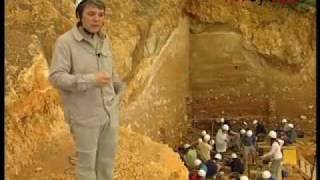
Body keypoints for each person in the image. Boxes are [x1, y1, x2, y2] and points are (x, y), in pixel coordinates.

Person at [48, 0, 125, 179]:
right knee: (87, 167)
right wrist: (91, 80)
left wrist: (118, 87)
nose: (96, 19)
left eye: (100, 14)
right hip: (84, 117)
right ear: (79, 16)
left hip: (109, 115)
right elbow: (56, 77)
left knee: (106, 163)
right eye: (91, 14)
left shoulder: (105, 40)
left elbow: (110, 71)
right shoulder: (65, 42)